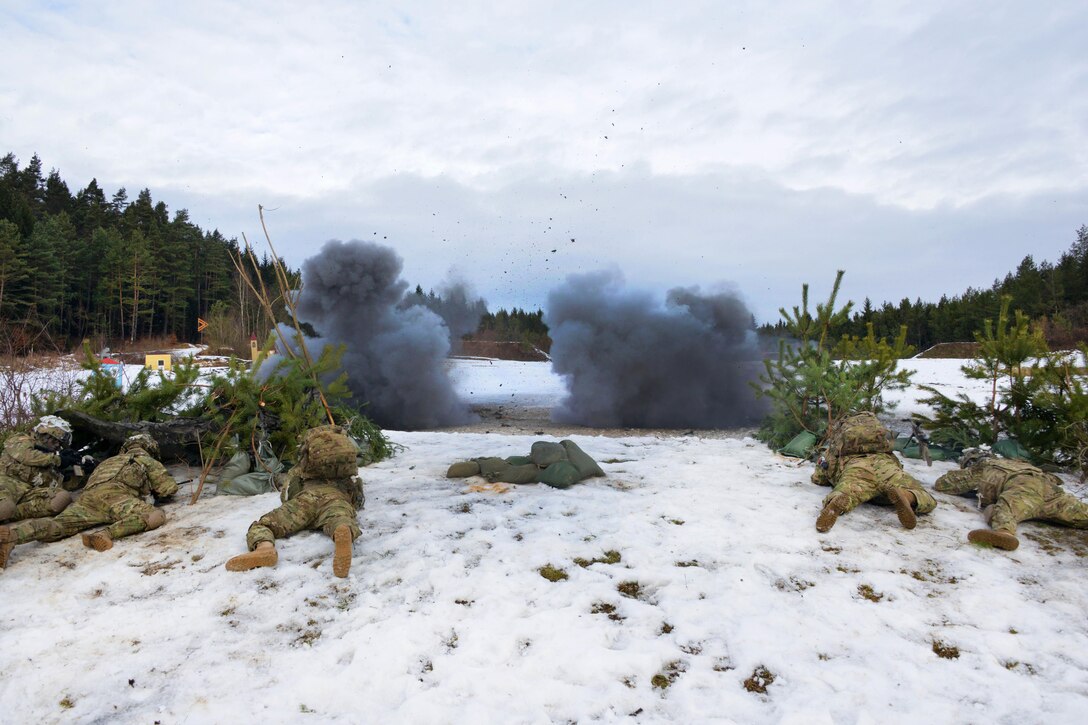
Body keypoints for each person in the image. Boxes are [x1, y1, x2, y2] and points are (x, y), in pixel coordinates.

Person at [0, 433, 176, 568]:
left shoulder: (107, 462)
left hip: (87, 500)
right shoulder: (143, 459)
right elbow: (168, 489)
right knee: (155, 515)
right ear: (150, 448)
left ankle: (13, 535)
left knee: (58, 526)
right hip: (116, 498)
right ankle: (105, 534)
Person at [225, 425, 363, 578]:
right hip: (336, 498)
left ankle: (264, 548)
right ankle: (341, 531)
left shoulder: (304, 464)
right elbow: (357, 497)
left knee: (266, 525)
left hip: (306, 500)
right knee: (340, 518)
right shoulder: (346, 470)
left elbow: (288, 490)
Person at [934, 449, 1088, 551]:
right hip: (1050, 493)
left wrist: (966, 472)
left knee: (1007, 508)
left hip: (1024, 487)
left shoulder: (985, 466)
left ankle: (1004, 533)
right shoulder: (1022, 464)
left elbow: (943, 485)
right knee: (1082, 513)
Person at [812, 412, 937, 533]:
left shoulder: (835, 450)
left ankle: (836, 504)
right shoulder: (884, 447)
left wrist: (819, 474)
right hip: (886, 466)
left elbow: (820, 478)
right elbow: (897, 463)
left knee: (846, 490)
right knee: (923, 495)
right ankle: (908, 496)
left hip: (856, 468)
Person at [0, 415, 79, 523]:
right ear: (45, 435)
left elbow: (58, 485)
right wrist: (58, 460)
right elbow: (27, 456)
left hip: (28, 492)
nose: (57, 445)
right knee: (5, 507)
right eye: (55, 441)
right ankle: (7, 512)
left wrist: (80, 470)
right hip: (6, 484)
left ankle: (14, 514)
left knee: (62, 498)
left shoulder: (50, 460)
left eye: (60, 443)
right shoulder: (19, 439)